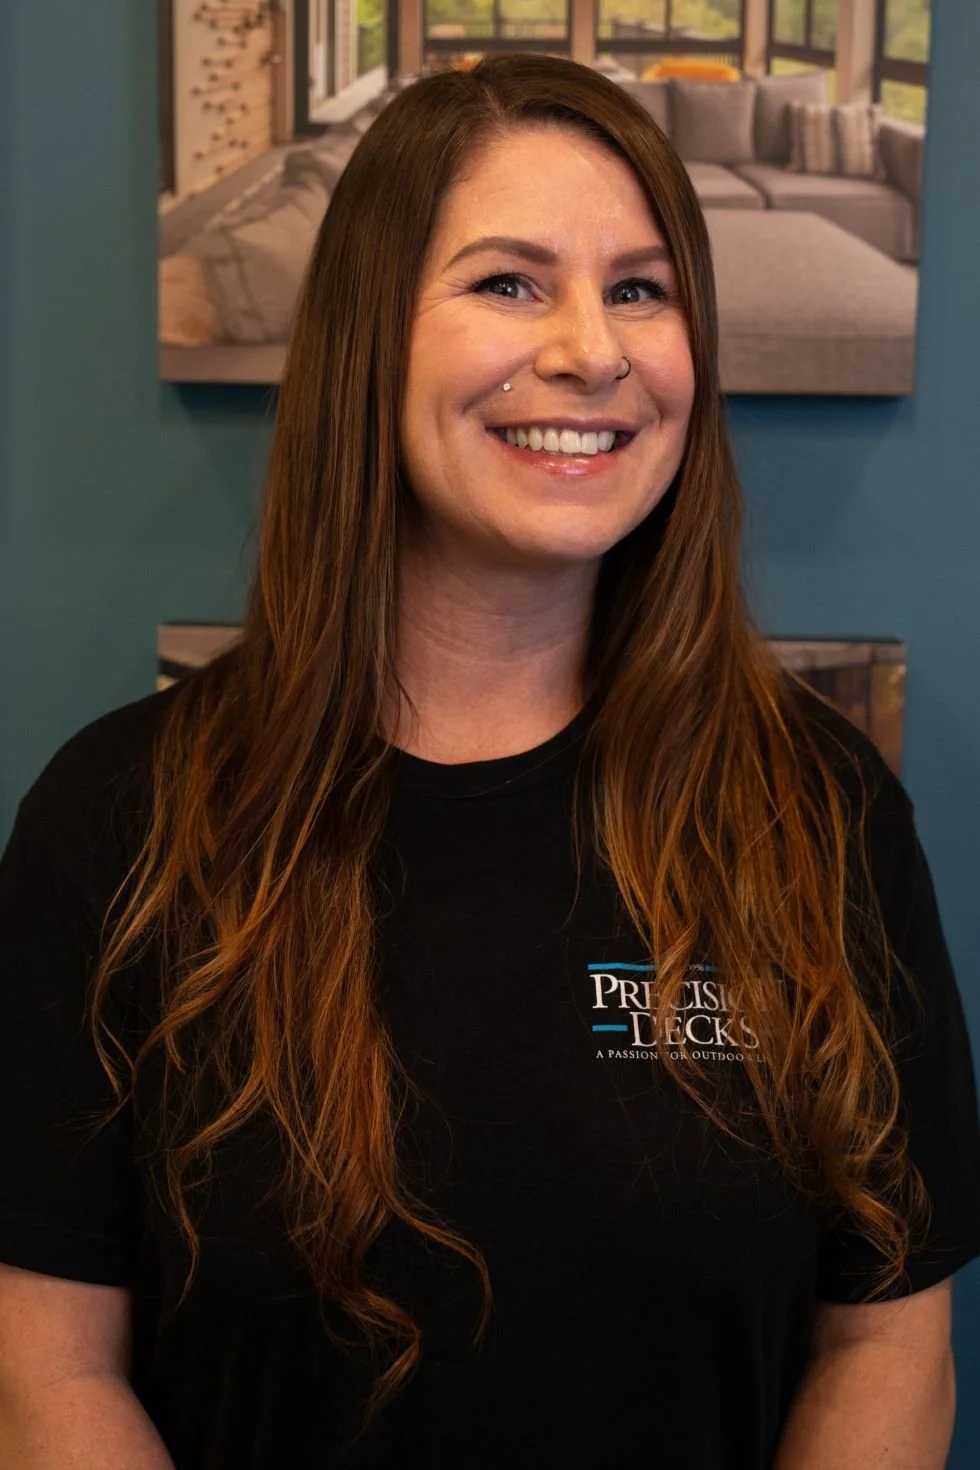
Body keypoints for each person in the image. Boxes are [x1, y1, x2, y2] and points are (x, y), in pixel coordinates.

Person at [0, 52, 978, 1470]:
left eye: (640, 288)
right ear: (368, 341)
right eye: (510, 282)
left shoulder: (821, 815)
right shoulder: (117, 820)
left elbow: (885, 1343)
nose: (594, 349)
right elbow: (51, 1375)